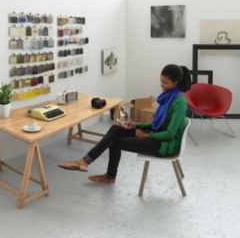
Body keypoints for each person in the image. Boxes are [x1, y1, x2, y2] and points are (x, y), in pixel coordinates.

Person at [57, 64, 191, 183]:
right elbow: (158, 125)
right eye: (161, 81)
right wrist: (135, 126)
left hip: (165, 145)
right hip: (157, 135)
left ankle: (108, 175)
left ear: (175, 83)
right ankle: (85, 161)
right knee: (115, 129)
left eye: (165, 83)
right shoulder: (168, 97)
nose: (161, 85)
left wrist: (145, 136)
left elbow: (170, 133)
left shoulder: (179, 102)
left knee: (115, 142)